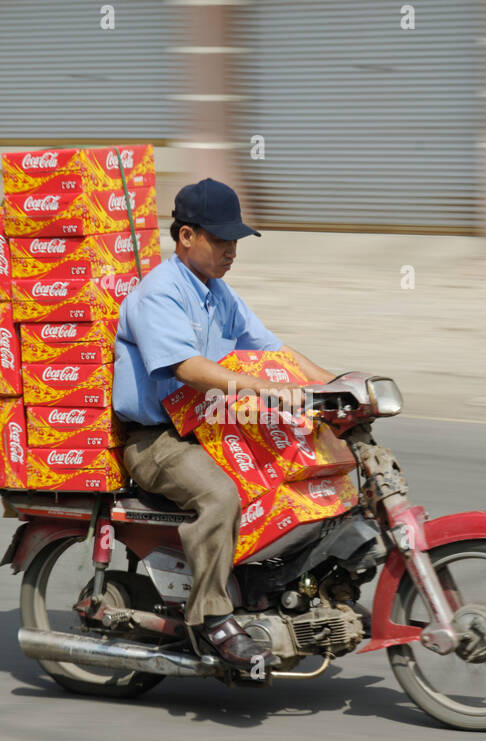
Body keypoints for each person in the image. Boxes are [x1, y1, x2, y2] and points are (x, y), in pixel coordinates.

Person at [113, 178, 335, 670]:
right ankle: (210, 618)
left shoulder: (218, 293)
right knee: (220, 495)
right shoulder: (159, 294)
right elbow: (185, 367)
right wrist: (252, 387)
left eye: (235, 240)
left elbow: (273, 351)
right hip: (159, 441)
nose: (231, 250)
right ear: (187, 236)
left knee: (293, 469)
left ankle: (269, 592)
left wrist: (333, 384)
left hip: (212, 425)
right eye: (221, 239)